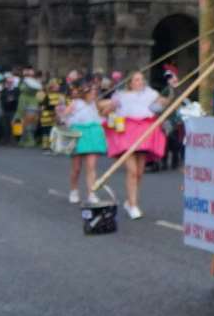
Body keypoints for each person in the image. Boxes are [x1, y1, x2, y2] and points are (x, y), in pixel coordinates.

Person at [106, 70, 166, 219]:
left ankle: (129, 201)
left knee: (139, 172)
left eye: (142, 79)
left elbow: (164, 102)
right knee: (132, 171)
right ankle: (133, 205)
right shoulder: (121, 95)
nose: (140, 82)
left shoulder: (150, 93)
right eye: (137, 80)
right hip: (127, 132)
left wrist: (170, 91)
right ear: (130, 83)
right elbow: (106, 109)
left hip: (145, 132)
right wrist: (108, 108)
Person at [62, 82, 106, 204]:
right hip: (78, 134)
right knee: (76, 168)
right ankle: (73, 190)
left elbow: (103, 111)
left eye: (95, 91)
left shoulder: (95, 103)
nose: (94, 94)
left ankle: (91, 193)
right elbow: (64, 115)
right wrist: (65, 117)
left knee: (91, 167)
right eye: (91, 92)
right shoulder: (76, 103)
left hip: (92, 134)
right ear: (85, 93)